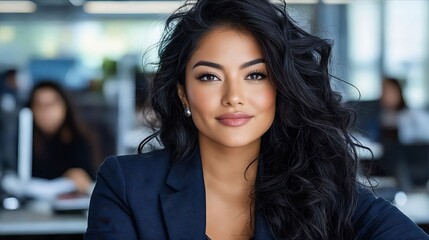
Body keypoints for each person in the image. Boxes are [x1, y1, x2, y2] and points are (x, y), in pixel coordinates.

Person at [84, 0, 429, 239]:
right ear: (183, 93)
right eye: (209, 77)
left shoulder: (324, 190)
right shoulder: (127, 185)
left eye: (255, 76)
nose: (234, 96)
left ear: (281, 87)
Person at [27, 81, 100, 194]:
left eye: (51, 104)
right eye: (39, 105)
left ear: (65, 106)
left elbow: (89, 182)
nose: (46, 111)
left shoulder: (81, 138)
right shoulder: (22, 141)